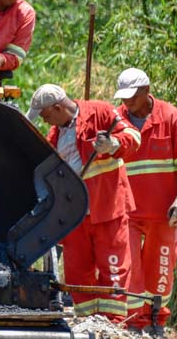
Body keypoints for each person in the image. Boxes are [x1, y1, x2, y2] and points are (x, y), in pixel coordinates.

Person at [28, 83, 141, 321]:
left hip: (107, 207)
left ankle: (112, 323)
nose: (46, 122)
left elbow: (133, 135)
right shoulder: (55, 135)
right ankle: (87, 321)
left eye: (47, 115)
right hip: (76, 213)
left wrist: (114, 144)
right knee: (78, 270)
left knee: (113, 268)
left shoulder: (100, 112)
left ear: (58, 108)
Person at [114, 68, 177, 333]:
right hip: (127, 212)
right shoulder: (116, 119)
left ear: (146, 91)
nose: (127, 102)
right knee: (129, 270)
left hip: (164, 213)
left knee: (161, 270)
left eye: (132, 96)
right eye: (124, 97)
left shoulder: (171, 117)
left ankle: (155, 320)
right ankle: (133, 323)